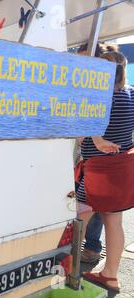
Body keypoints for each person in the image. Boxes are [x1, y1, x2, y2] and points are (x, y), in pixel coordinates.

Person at [77, 51, 134, 292]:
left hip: (97, 169)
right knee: (114, 221)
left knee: (76, 219)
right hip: (121, 166)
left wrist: (96, 139)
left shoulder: (98, 95)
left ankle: (61, 268)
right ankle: (110, 275)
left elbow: (82, 131)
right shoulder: (131, 93)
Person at [76, 43, 119, 264]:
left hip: (99, 162)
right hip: (98, 161)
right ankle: (91, 250)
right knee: (101, 210)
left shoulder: (101, 93)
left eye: (87, 60)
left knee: (88, 208)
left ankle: (86, 250)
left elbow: (87, 131)